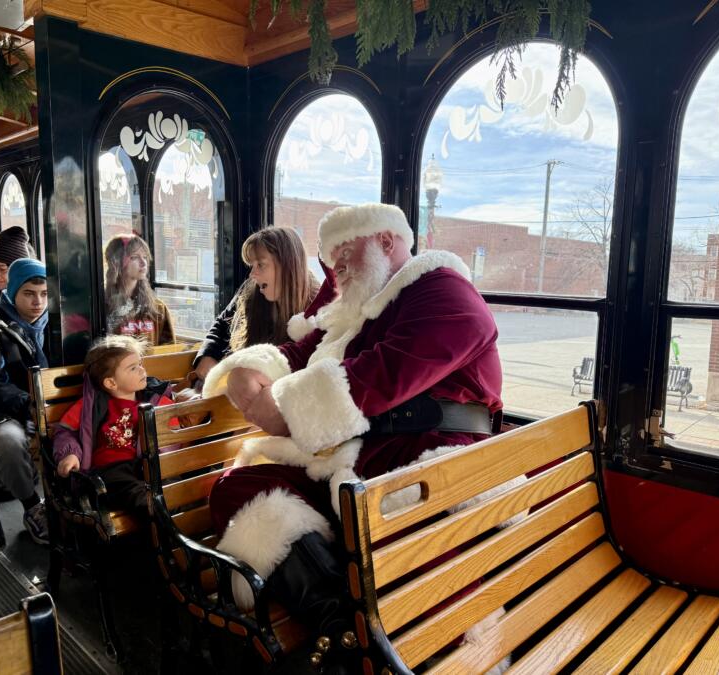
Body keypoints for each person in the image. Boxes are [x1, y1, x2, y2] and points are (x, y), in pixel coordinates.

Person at [201, 203, 503, 668]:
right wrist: (250, 369)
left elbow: (384, 371)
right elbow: (300, 351)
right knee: (236, 489)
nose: (335, 267)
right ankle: (344, 624)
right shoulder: (355, 308)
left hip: (426, 457)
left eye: (344, 253)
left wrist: (287, 411)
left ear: (385, 241)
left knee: (426, 577)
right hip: (356, 460)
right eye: (330, 258)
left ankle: (407, 645)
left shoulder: (440, 286)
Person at [0, 258, 49, 545]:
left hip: (55, 406)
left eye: (44, 294)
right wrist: (28, 403)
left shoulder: (62, 320)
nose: (38, 302)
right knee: (7, 441)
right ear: (14, 291)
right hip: (12, 409)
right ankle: (32, 506)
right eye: (29, 294)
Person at [52, 335, 174, 515]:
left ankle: (169, 515)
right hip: (109, 469)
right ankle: (157, 514)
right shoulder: (89, 406)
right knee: (135, 493)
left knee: (170, 485)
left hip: (146, 465)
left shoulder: (156, 400)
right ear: (111, 382)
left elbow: (173, 433)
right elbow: (65, 432)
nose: (142, 370)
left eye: (140, 364)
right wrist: (70, 454)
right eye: (133, 368)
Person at [193, 227, 320, 383]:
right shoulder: (251, 290)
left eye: (261, 265)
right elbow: (223, 323)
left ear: (287, 265)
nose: (252, 274)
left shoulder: (318, 308)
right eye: (252, 265)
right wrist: (207, 355)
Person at [104, 234, 175, 345]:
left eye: (145, 257)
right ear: (116, 262)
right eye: (134, 257)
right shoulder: (102, 307)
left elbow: (168, 349)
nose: (143, 263)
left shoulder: (158, 309)